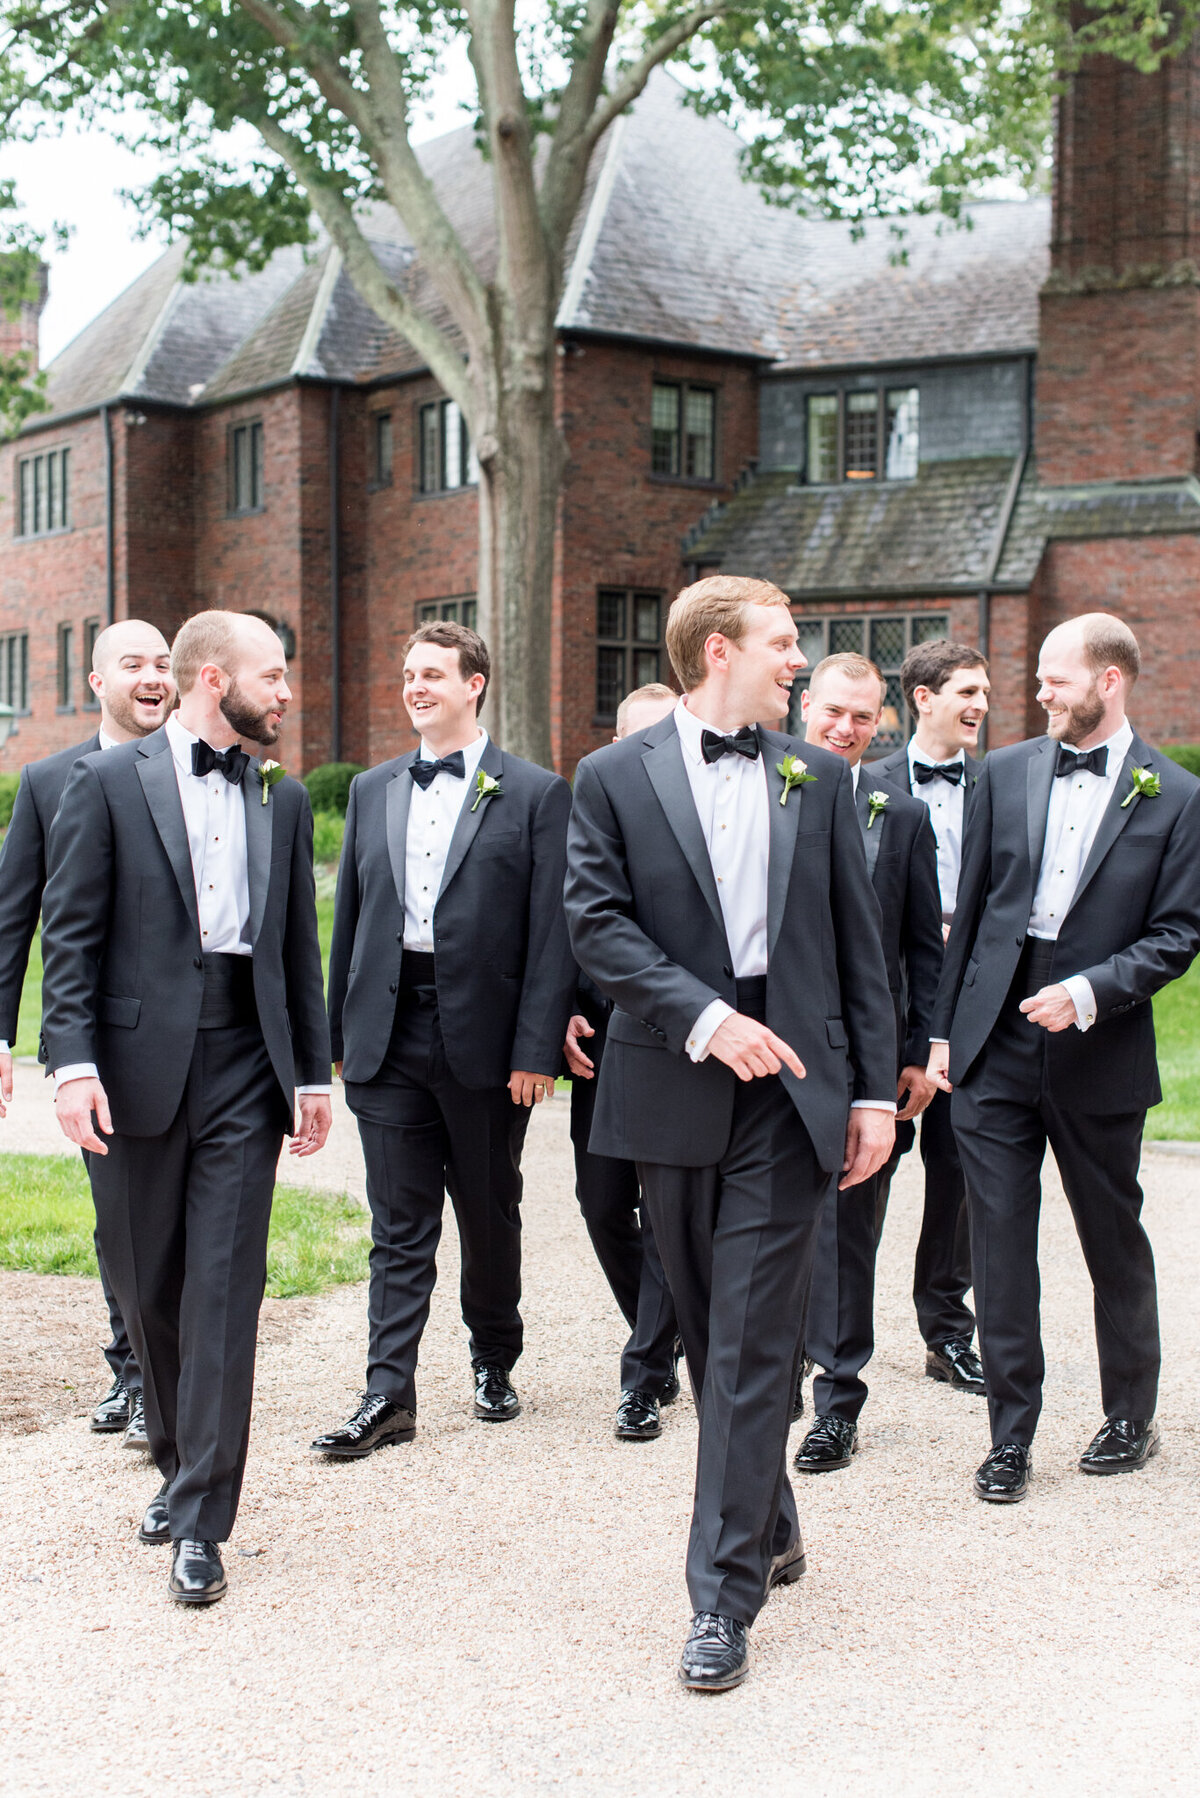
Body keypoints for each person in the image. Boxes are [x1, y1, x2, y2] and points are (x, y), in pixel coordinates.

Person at [565, 575, 896, 1692]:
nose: (799, 662)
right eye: (784, 643)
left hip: (795, 1091)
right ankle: (774, 1513)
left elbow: (863, 948)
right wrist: (706, 1020)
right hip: (673, 1080)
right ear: (719, 651)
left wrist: (866, 1097)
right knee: (713, 1334)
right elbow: (597, 926)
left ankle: (721, 1596)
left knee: (756, 1338)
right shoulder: (611, 777)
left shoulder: (824, 776)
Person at [41, 610, 331, 1605]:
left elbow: (297, 944)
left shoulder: (279, 797)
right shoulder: (105, 783)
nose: (287, 695)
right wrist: (70, 1064)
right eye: (275, 677)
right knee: (146, 1286)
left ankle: (203, 1514)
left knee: (223, 1292)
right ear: (215, 678)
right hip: (130, 1069)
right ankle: (175, 1456)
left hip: (247, 1067)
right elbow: (69, 939)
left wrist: (313, 1074)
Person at [928, 613, 1200, 1502]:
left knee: (1110, 1235)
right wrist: (943, 1032)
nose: (1037, 692)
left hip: (1099, 1038)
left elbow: (1178, 934)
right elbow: (966, 918)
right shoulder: (1001, 772)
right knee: (998, 1244)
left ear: (1110, 681)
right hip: (995, 1037)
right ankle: (1011, 1436)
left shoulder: (1175, 795)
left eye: (1056, 678)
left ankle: (1131, 1416)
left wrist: (1087, 993)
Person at [314, 621, 575, 1459]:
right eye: (406, 674)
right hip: (386, 1035)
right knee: (398, 1224)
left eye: (431, 673)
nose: (414, 686)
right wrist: (337, 1036)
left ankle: (495, 1356)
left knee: (490, 1213)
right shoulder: (372, 788)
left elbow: (553, 935)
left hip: (489, 1046)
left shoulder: (535, 793)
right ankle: (387, 1393)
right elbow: (349, 918)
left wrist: (535, 1050)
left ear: (475, 685)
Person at [0, 620, 176, 1446]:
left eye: (165, 662)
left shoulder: (202, 767)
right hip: (92, 1037)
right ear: (99, 681)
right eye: (135, 663)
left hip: (181, 1030)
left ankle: (154, 1371)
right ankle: (133, 1371)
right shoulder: (47, 780)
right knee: (119, 1218)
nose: (154, 674)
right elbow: (15, 923)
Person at [792, 653, 943, 1472]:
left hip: (868, 1062)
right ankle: (771, 1372)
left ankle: (837, 1404)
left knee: (851, 1235)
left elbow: (923, 950)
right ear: (805, 706)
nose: (846, 730)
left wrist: (918, 1055)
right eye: (834, 712)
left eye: (863, 718)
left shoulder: (903, 815)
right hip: (775, 1055)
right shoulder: (764, 789)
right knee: (770, 1226)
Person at [564, 682, 682, 1442]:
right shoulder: (595, 800)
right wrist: (559, 1010)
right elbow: (566, 915)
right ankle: (669, 1329)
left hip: (684, 1042)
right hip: (604, 1040)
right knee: (603, 1201)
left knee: (670, 1215)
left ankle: (643, 1372)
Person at [872, 640, 991, 1395]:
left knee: (961, 1172)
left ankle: (947, 1333)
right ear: (923, 697)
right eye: (966, 692)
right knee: (865, 1163)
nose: (979, 705)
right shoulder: (864, 782)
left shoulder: (1002, 781)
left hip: (976, 1000)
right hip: (887, 1000)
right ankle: (827, 1333)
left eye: (984, 692)